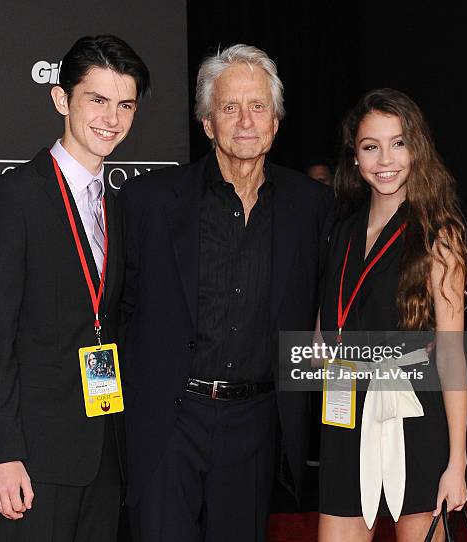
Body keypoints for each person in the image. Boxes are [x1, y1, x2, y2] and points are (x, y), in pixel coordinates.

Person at [119, 44, 334, 541]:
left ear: (276, 121)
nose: (245, 121)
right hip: (169, 420)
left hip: (255, 425)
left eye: (258, 106)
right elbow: (117, 313)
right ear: (207, 122)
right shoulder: (147, 202)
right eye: (229, 107)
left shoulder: (314, 207)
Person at [0, 35, 149, 541]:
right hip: (35, 457)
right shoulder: (16, 196)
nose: (111, 119)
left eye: (125, 105)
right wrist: (2, 453)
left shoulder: (113, 204)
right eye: (97, 100)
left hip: (104, 447)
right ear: (61, 99)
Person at [318, 88, 467, 541]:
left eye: (398, 143)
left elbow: (452, 355)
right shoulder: (340, 230)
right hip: (345, 409)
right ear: (355, 157)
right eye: (371, 146)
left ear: (417, 149)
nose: (385, 159)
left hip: (417, 411)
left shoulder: (438, 236)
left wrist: (457, 462)